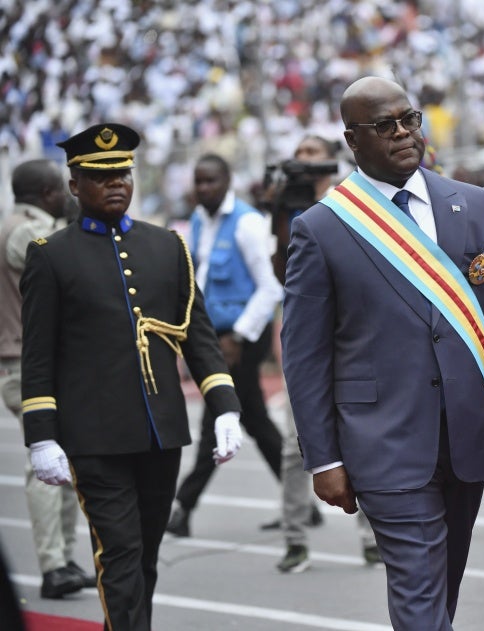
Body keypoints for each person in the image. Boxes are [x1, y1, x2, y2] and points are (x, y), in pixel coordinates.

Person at [281, 76, 484, 630]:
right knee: (417, 588)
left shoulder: (474, 205)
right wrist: (324, 457)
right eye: (385, 126)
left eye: (410, 119)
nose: (404, 133)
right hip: (382, 442)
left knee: (441, 587)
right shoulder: (322, 228)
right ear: (352, 140)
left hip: (470, 435)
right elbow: (303, 354)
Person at [19, 123, 243, 630]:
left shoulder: (167, 246)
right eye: (100, 176)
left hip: (160, 432)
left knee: (144, 554)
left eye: (122, 173)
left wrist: (226, 405)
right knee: (119, 554)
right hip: (94, 438)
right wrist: (41, 438)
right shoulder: (51, 255)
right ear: (75, 185)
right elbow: (38, 356)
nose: (116, 183)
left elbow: (198, 336)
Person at [267, 135, 379, 573]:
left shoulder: (353, 197)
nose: (306, 161)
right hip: (307, 339)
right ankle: (295, 540)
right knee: (296, 447)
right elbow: (281, 270)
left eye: (315, 154)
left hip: (351, 335)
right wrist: (280, 210)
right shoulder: (286, 205)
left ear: (332, 161)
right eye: (301, 154)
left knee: (364, 436)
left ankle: (373, 538)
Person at [167, 153, 285, 537]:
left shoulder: (248, 223)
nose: (203, 189)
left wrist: (237, 336)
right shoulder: (199, 221)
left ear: (228, 181)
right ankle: (299, 498)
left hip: (243, 338)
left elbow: (270, 288)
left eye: (211, 181)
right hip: (214, 337)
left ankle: (183, 505)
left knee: (216, 413)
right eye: (198, 182)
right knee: (253, 418)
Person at [0, 159, 95, 599]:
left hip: (27, 360)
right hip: (27, 362)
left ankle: (62, 559)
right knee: (45, 461)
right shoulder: (22, 231)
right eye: (62, 189)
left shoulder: (11, 224)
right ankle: (53, 564)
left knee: (64, 459)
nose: (68, 196)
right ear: (45, 192)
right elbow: (63, 264)